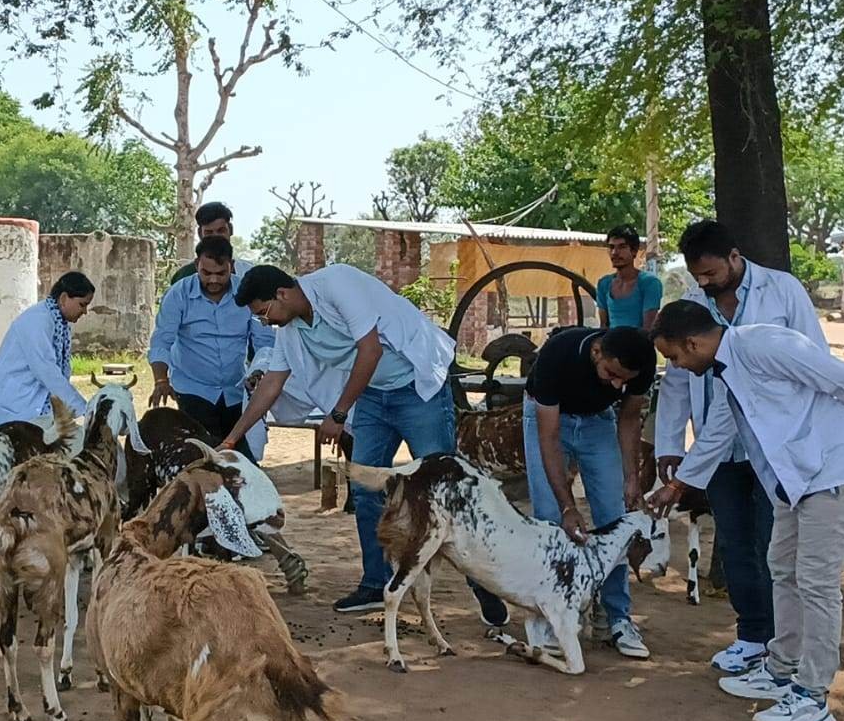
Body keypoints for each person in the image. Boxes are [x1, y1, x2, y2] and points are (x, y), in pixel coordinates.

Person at [648, 300, 844, 721]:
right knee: (782, 568)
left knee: (816, 582)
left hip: (836, 473)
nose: (678, 366)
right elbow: (718, 433)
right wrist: (678, 485)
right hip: (796, 481)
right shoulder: (727, 372)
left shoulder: (763, 344)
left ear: (692, 342)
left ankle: (813, 697)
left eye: (675, 357)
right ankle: (782, 669)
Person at [221, 264, 507, 624]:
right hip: (372, 397)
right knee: (364, 487)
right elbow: (272, 384)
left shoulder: (337, 284)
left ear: (282, 294)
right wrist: (232, 438)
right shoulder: (290, 331)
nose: (266, 322)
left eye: (264, 313)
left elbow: (369, 351)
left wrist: (338, 415)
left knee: (442, 489)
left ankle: (483, 583)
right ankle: (376, 582)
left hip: (417, 390)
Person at [654, 219, 828, 675]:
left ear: (734, 257)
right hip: (718, 455)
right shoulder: (692, 303)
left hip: (774, 446)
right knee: (734, 545)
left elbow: (818, 361)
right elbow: (675, 381)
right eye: (698, 276)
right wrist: (670, 445)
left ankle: (784, 648)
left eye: (711, 273)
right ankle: (752, 637)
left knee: (778, 550)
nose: (705, 283)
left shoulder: (783, 291)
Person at [521, 324, 656, 660]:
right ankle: (551, 614)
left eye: (624, 380)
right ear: (597, 352)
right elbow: (549, 438)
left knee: (615, 517)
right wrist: (568, 506)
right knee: (550, 519)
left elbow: (628, 418)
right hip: (550, 419)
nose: (617, 385)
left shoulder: (639, 361)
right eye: (612, 374)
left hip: (598, 422)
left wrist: (632, 478)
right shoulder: (557, 356)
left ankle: (616, 617)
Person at [148, 236, 274, 456]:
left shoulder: (247, 295)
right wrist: (161, 380)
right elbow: (161, 340)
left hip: (237, 391)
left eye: (221, 273)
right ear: (197, 265)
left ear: (231, 267)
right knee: (202, 458)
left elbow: (265, 343)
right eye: (206, 273)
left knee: (241, 460)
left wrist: (259, 371)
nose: (214, 280)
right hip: (193, 391)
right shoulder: (178, 294)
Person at [0, 272, 93, 430]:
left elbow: (60, 373)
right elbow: (47, 372)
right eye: (82, 304)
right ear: (64, 298)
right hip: (13, 408)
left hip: (29, 407)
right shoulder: (38, 321)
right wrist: (84, 409)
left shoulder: (58, 322)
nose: (85, 311)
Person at [168, 202, 256, 285]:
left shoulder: (249, 273)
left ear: (231, 230)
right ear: (200, 234)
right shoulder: (183, 276)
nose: (216, 237)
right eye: (209, 232)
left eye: (221, 231)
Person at [596, 225, 663, 330]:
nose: (615, 253)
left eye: (622, 247)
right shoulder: (604, 284)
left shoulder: (649, 283)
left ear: (634, 251)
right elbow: (603, 326)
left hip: (638, 343)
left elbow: (648, 329)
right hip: (610, 343)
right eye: (611, 247)